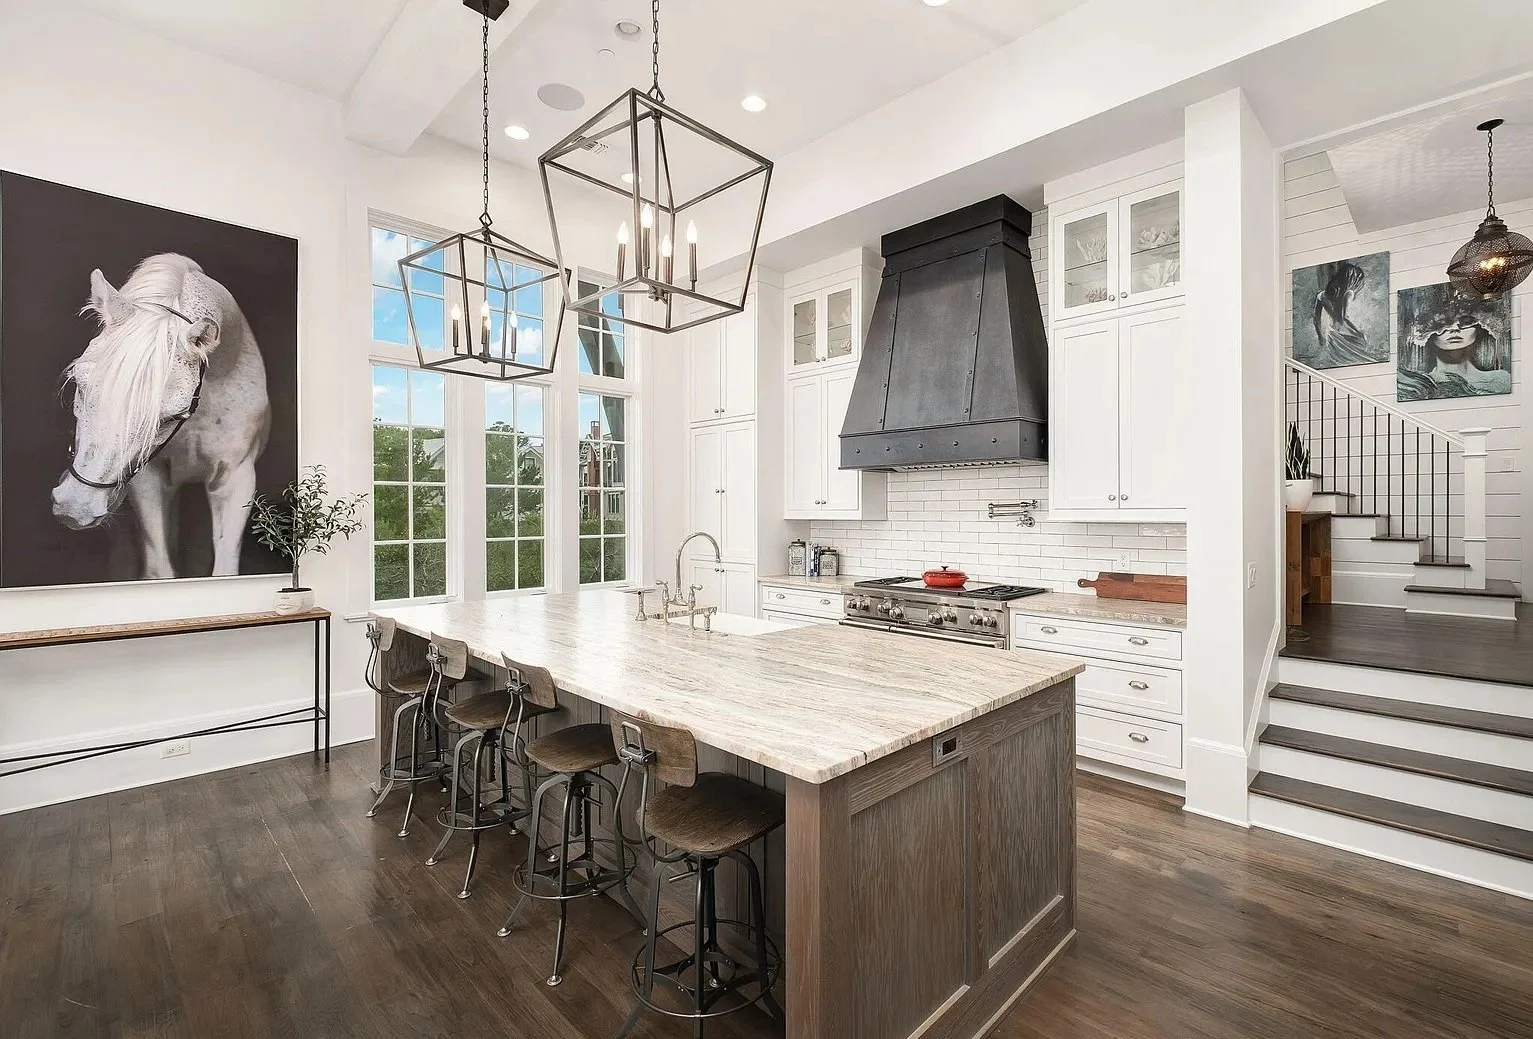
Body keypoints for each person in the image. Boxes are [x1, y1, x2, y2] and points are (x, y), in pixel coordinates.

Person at [1397, 316, 1511, 400]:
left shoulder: (1501, 379)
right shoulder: (1417, 384)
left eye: (1466, 322)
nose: (1454, 328)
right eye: (1441, 324)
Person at [1311, 261, 1376, 367]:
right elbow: (1344, 317)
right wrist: (1359, 332)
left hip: (1331, 334)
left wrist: (1321, 339)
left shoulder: (1321, 296)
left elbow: (1316, 321)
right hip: (1345, 335)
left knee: (1336, 364)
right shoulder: (1349, 293)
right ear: (1353, 279)